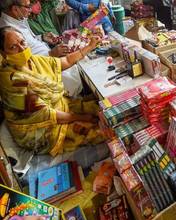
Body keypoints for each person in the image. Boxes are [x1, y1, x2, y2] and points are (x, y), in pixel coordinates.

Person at [0, 26, 105, 157]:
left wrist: (90, 46)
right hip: (39, 128)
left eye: (22, 42)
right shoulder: (12, 80)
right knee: (99, 132)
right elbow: (46, 114)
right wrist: (82, 117)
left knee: (102, 108)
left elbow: (65, 61)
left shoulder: (33, 60)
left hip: (58, 107)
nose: (22, 49)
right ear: (4, 54)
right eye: (13, 47)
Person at [0, 0, 83, 97]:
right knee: (73, 73)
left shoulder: (19, 17)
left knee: (78, 65)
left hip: (48, 56)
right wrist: (50, 54)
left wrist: (43, 37)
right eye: (28, 6)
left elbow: (30, 41)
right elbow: (23, 63)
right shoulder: (8, 31)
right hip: (41, 69)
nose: (30, 9)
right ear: (15, 9)